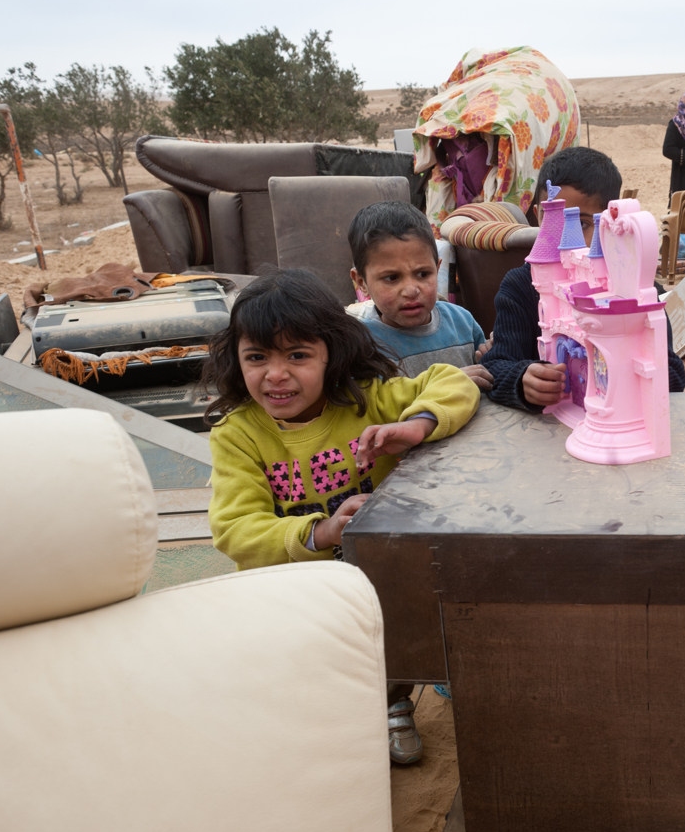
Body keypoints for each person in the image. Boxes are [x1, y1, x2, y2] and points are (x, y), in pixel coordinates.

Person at [201, 268, 480, 767]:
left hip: (376, 581)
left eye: (297, 355)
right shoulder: (237, 435)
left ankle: (393, 702)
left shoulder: (365, 400)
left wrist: (417, 425)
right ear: (236, 359)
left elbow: (452, 382)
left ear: (332, 353)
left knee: (388, 637)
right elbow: (235, 530)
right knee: (310, 682)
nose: (275, 374)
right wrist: (322, 530)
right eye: (257, 357)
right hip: (294, 594)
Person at [481, 146, 685, 411]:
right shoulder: (520, 287)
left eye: (582, 224)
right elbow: (494, 367)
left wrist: (625, 367)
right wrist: (521, 380)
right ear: (538, 215)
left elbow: (673, 374)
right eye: (553, 220)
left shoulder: (634, 290)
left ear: (609, 225)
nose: (565, 240)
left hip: (615, 421)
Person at [347, 200, 494, 389]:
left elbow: (485, 377)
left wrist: (491, 358)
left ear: (437, 269)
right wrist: (445, 384)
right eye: (392, 278)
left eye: (423, 274)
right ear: (361, 282)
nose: (411, 291)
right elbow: (371, 403)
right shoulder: (362, 347)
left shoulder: (462, 323)